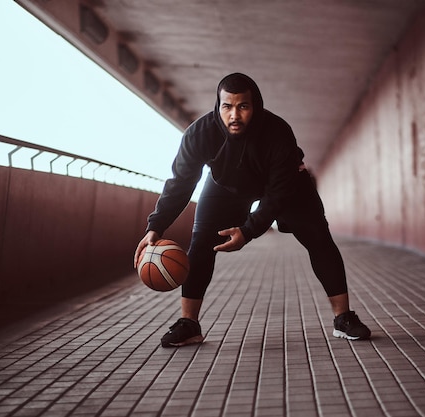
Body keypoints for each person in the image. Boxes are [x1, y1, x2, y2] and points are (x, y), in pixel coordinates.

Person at [134, 73, 370, 347]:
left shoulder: (278, 132)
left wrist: (248, 231)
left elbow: (278, 193)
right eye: (227, 106)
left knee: (319, 237)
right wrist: (155, 227)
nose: (234, 115)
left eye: (243, 106)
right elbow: (180, 183)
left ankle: (344, 318)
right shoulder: (199, 135)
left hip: (286, 184)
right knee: (200, 243)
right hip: (227, 185)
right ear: (218, 106)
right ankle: (189, 323)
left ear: (254, 106)